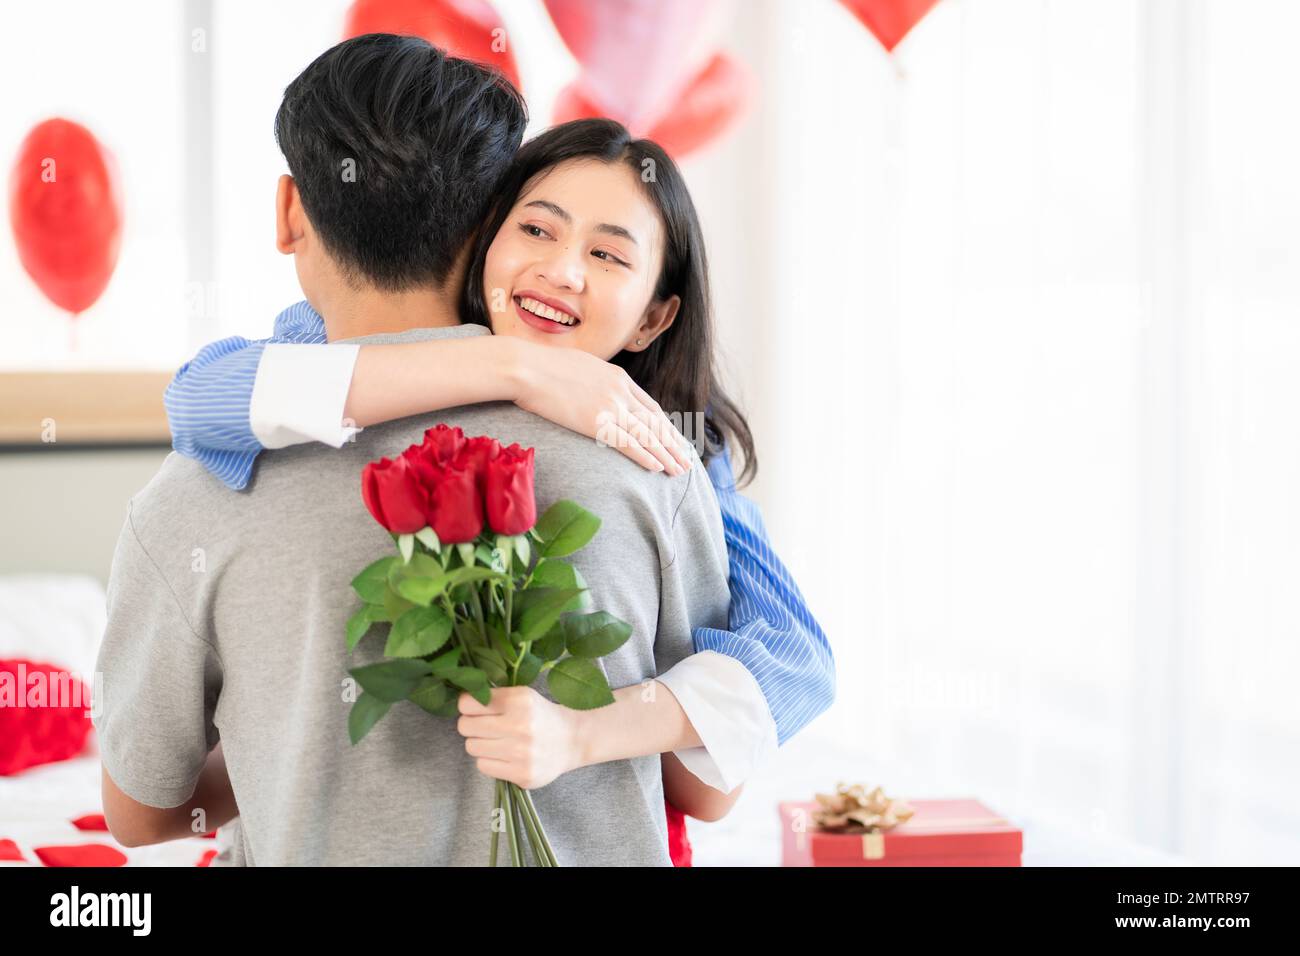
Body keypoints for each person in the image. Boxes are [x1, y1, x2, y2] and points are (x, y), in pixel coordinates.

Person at [161, 40, 837, 862]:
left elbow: (791, 669)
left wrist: (582, 735)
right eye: (537, 229)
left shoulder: (674, 447)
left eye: (609, 254)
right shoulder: (381, 360)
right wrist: (515, 366)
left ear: (656, 317)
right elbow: (200, 396)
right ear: (486, 236)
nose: (562, 271)